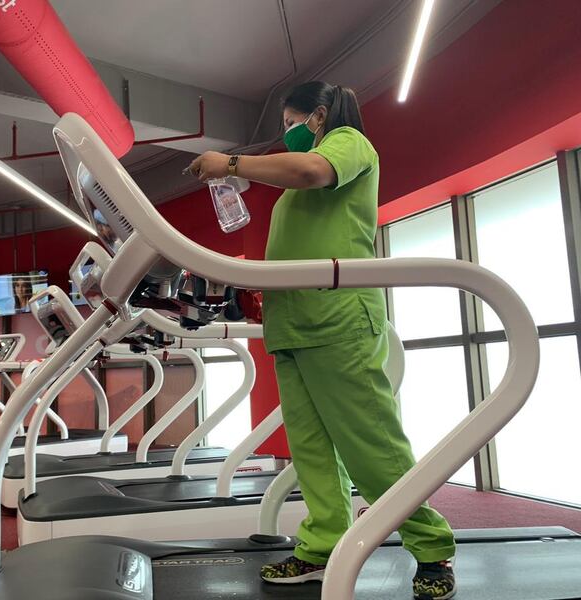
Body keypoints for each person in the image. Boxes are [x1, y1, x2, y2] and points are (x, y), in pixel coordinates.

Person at [187, 81, 456, 600]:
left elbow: (312, 169)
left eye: (292, 120)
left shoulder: (350, 143)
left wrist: (234, 163)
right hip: (292, 325)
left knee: (371, 445)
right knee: (310, 451)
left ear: (319, 116)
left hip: (338, 321)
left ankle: (431, 544)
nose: (287, 132)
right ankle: (323, 543)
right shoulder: (292, 194)